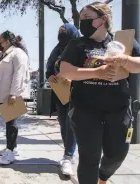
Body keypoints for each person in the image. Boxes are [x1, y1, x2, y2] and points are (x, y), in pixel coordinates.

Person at [59, 2, 140, 184]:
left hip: (118, 109)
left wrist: (125, 60)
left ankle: (102, 177)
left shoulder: (122, 42)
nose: (83, 22)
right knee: (89, 157)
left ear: (103, 19)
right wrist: (98, 73)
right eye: (81, 18)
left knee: (117, 154)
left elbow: (138, 64)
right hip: (85, 110)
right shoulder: (77, 44)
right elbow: (65, 70)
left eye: (87, 18)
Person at [46, 23, 80, 176]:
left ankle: (68, 156)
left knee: (71, 124)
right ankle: (69, 154)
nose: (63, 42)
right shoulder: (57, 49)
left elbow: (87, 69)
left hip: (77, 93)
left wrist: (74, 79)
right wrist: (50, 77)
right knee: (63, 123)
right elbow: (49, 68)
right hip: (60, 93)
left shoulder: (81, 47)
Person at [0, 30, 29, 165]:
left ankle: (11, 151)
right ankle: (12, 147)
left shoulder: (18, 54)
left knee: (11, 123)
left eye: (0, 40)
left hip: (11, 95)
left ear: (7, 41)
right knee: (8, 122)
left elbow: (19, 75)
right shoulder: (2, 55)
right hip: (2, 94)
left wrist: (14, 93)